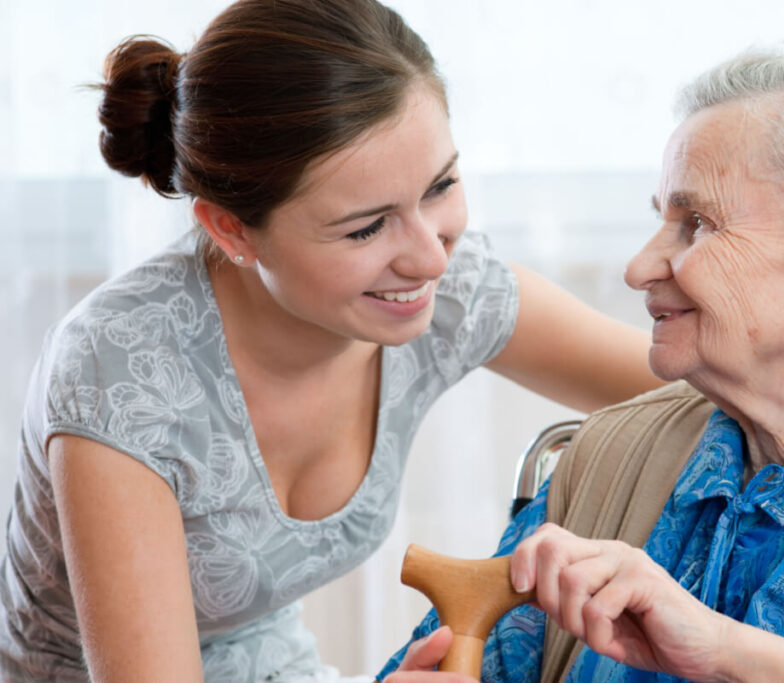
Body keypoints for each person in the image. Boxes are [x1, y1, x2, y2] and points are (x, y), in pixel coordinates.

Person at [0, 1, 664, 681]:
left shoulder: (448, 292)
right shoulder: (119, 375)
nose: (431, 258)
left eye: (441, 185)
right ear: (231, 229)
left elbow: (695, 385)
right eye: (366, 228)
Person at [380, 29, 784, 682]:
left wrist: (721, 649)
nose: (638, 268)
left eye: (699, 224)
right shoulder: (609, 460)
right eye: (662, 219)